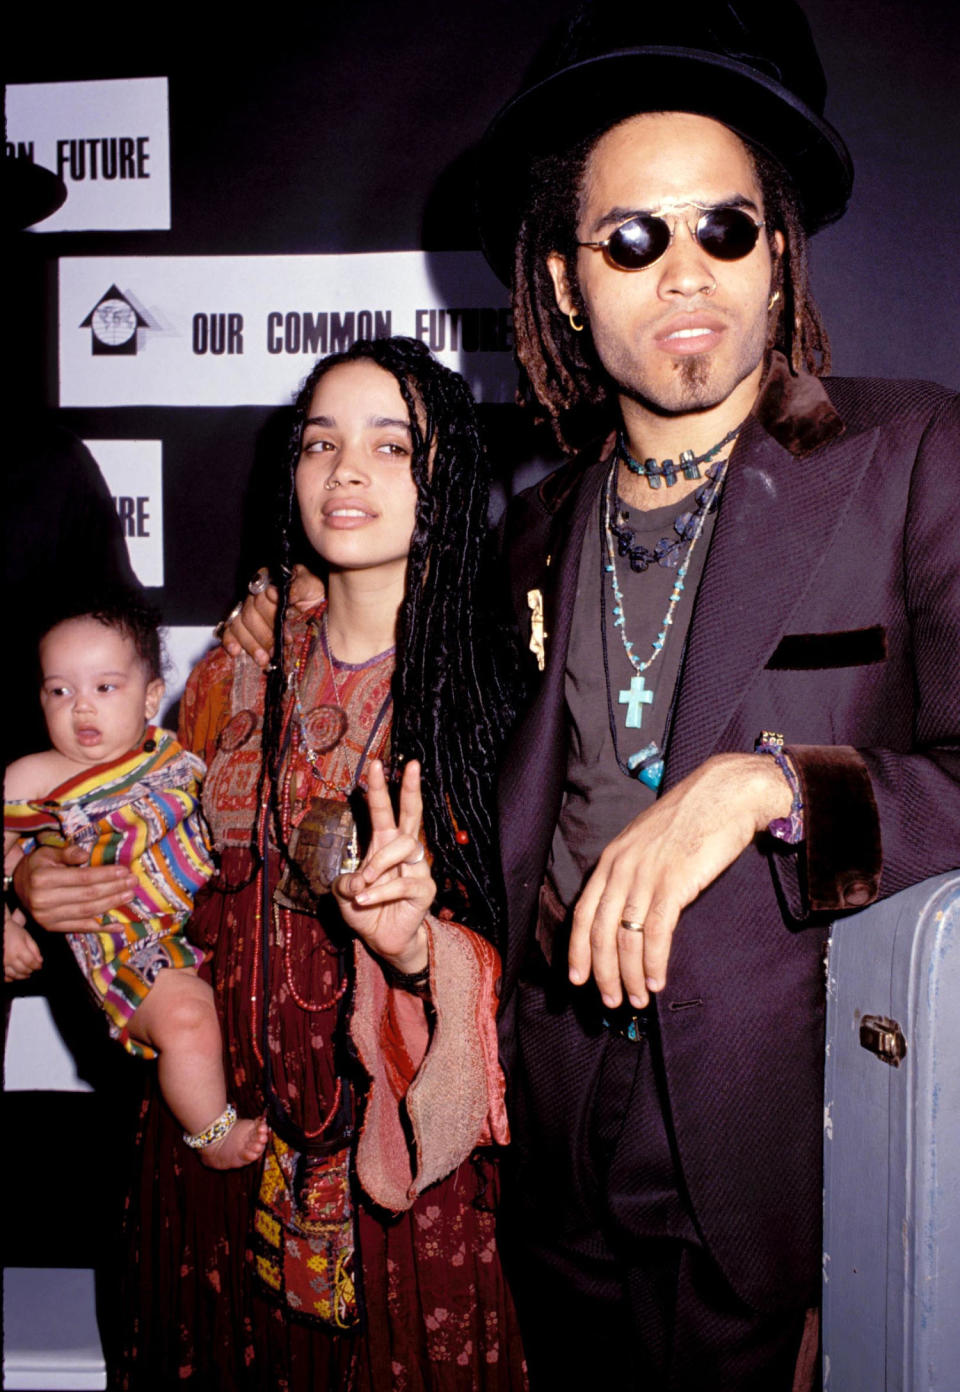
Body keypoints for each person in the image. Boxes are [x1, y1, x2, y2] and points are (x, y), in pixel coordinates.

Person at [473, 1, 960, 1388]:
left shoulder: (912, 452)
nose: (686, 269)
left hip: (783, 1163)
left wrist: (773, 786)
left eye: (725, 228)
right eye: (632, 238)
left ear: (777, 247)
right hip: (559, 1132)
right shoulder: (532, 524)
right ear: (568, 283)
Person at [14, 338, 526, 1388]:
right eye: (320, 442)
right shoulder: (231, 671)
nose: (345, 471)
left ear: (448, 476)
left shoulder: (494, 692)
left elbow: (552, 966)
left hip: (400, 1184)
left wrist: (426, 950)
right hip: (213, 1145)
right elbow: (117, 831)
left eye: (392, 446)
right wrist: (37, 880)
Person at [4, 597, 268, 1169]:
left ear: (150, 697)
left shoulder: (169, 750)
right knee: (187, 1020)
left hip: (211, 922)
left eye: (104, 688)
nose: (80, 710)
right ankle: (213, 1135)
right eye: (59, 691)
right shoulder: (35, 778)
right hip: (130, 950)